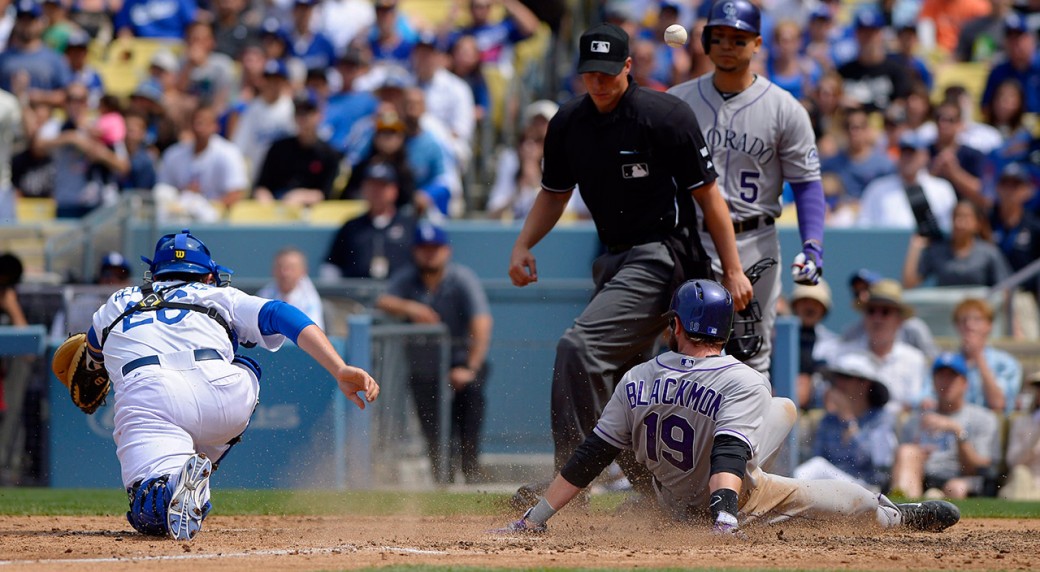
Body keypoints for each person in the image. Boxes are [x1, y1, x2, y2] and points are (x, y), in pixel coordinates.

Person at [507, 22, 752, 503]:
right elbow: (554, 194)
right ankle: (658, 494)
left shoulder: (664, 116)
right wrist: (522, 244)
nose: (598, 82)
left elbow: (710, 199)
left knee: (579, 348)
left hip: (664, 254)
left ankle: (569, 484)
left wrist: (734, 268)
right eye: (589, 73)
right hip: (613, 261)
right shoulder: (568, 123)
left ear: (627, 67)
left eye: (606, 72)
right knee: (626, 383)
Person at [500, 279, 961, 535]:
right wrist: (724, 513)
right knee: (854, 498)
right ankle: (899, 517)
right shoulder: (741, 378)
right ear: (725, 331)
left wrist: (534, 519)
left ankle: (645, 508)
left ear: (676, 325)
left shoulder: (635, 377)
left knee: (781, 408)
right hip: (732, 496)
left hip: (671, 493)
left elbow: (591, 455)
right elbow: (727, 454)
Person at [85, 229, 379, 540]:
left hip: (149, 398)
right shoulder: (218, 295)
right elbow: (280, 313)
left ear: (153, 273)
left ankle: (172, 482)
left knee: (150, 507)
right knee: (246, 365)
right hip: (223, 394)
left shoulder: (117, 301)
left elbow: (90, 353)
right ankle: (198, 466)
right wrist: (339, 367)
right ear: (209, 276)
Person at [668, 0, 827, 376]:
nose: (727, 45)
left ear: (757, 43)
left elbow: (806, 185)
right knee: (684, 357)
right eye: (718, 37)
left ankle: (745, 438)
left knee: (750, 358)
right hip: (690, 240)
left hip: (755, 242)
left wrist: (813, 246)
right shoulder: (677, 102)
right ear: (704, 42)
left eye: (737, 39)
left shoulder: (784, 108)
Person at [376, 222, 493, 483]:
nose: (430, 254)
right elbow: (383, 300)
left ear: (447, 251)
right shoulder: (407, 279)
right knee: (432, 427)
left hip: (460, 361)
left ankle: (471, 470)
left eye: (435, 248)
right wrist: (412, 308)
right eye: (424, 248)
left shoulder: (461, 278)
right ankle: (443, 477)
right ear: (415, 251)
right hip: (424, 367)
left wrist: (470, 368)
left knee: (469, 409)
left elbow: (482, 322)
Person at [890, 352, 1000, 499]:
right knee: (907, 451)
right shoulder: (917, 418)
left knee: (956, 488)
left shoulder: (983, 418)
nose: (946, 382)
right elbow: (902, 461)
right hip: (923, 479)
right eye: (941, 376)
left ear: (965, 383)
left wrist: (957, 431)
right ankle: (904, 515)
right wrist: (918, 453)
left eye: (952, 376)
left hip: (961, 480)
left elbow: (979, 467)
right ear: (933, 381)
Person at [794, 351, 897, 491]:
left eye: (846, 377)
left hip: (867, 488)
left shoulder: (881, 418)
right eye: (837, 377)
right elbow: (818, 456)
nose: (838, 382)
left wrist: (848, 420)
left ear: (865, 384)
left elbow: (880, 462)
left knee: (816, 468)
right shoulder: (828, 420)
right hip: (830, 486)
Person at [832, 279, 930, 413]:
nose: (877, 318)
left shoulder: (914, 360)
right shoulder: (844, 355)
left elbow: (913, 408)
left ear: (899, 320)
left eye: (885, 312)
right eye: (871, 311)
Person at [918, 298, 1021, 412]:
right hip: (950, 423)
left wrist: (978, 357)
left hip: (988, 426)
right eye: (963, 320)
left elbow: (998, 403)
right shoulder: (944, 362)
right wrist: (926, 401)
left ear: (989, 325)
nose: (969, 325)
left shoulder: (1005, 363)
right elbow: (924, 395)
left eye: (977, 319)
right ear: (956, 326)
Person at [324, 161, 417, 279]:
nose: (376, 192)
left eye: (382, 186)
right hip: (354, 294)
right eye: (372, 186)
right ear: (363, 189)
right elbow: (332, 265)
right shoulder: (351, 226)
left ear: (394, 190)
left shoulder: (409, 225)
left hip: (399, 294)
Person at [252, 94, 340, 206]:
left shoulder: (330, 154)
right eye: (299, 113)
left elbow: (326, 193)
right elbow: (261, 186)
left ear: (319, 115)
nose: (303, 117)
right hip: (275, 210)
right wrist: (266, 202)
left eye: (308, 112)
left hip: (311, 215)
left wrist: (302, 196)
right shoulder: (278, 149)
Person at [901, 199, 1011, 289]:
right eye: (956, 217)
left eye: (966, 217)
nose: (960, 223)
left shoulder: (989, 253)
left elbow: (1005, 287)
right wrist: (915, 248)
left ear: (978, 223)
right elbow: (909, 284)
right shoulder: (938, 251)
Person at [840, 269, 939, 360]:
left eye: (885, 311)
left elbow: (930, 361)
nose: (862, 296)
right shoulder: (851, 333)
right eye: (857, 293)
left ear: (900, 317)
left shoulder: (915, 329)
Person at [789, 279, 838, 410]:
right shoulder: (776, 340)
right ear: (795, 305)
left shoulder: (834, 346)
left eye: (816, 303)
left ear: (823, 309)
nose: (810, 307)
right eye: (805, 301)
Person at [256, 246, 324, 329]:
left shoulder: (310, 299)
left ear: (303, 271)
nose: (285, 273)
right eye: (280, 267)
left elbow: (314, 333)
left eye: (291, 268)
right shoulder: (263, 295)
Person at [1000, 371, 1040, 500]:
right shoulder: (1022, 422)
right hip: (1027, 483)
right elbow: (1014, 461)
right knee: (1020, 473)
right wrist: (1036, 436)